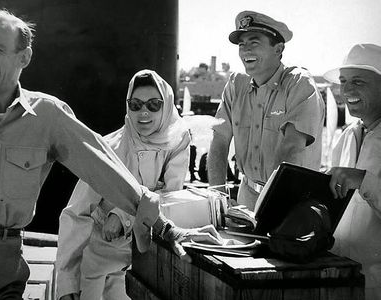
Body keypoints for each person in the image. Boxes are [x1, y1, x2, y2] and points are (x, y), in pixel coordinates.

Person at [0, 7, 221, 299]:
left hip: (4, 271)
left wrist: (165, 227)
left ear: (25, 57)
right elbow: (78, 211)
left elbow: (102, 169)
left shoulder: (48, 117)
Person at [56, 70, 191, 300]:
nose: (144, 112)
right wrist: (66, 283)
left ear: (166, 105)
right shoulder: (109, 148)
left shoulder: (177, 142)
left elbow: (171, 197)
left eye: (154, 104)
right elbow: (76, 213)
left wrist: (122, 215)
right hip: (96, 260)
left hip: (141, 262)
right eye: (136, 104)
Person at [208, 11, 325, 210]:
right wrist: (217, 198)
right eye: (241, 44)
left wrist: (268, 207)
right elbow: (219, 141)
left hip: (289, 200)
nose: (245, 51)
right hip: (247, 194)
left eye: (254, 42)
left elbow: (292, 149)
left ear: (278, 49)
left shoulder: (299, 84)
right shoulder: (236, 85)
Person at [324, 43, 381, 299]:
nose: (346, 90)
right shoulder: (347, 135)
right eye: (344, 81)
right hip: (339, 278)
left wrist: (363, 181)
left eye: (358, 82)